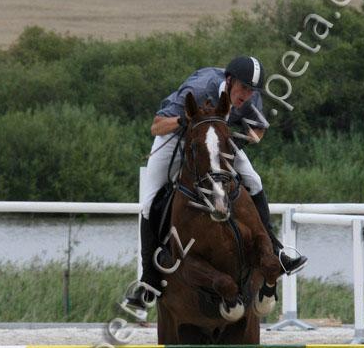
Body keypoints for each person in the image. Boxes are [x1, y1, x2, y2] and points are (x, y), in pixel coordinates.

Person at [122, 55, 307, 315]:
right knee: (149, 201)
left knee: (254, 180)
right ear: (229, 81)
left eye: (251, 91)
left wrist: (232, 142)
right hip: (177, 138)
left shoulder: (252, 96)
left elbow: (258, 131)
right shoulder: (199, 89)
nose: (246, 95)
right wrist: (183, 121)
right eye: (243, 88)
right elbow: (156, 127)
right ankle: (149, 281)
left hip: (217, 141)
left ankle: (276, 250)